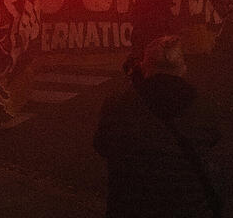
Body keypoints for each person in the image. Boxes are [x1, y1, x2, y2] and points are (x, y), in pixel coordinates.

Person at [95, 36, 222, 218]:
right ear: (182, 68)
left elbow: (102, 144)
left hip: (130, 206)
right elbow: (212, 139)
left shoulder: (120, 103)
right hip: (190, 206)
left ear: (144, 66)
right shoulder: (203, 106)